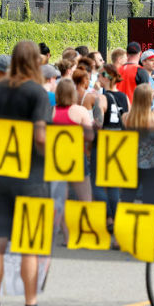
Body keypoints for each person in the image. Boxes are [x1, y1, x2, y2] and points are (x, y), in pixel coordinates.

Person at [0, 41, 50, 306]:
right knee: (28, 245)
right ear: (36, 62)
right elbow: (41, 136)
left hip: (1, 173)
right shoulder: (37, 93)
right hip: (31, 177)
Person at [52, 78, 94, 245]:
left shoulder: (51, 111)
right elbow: (90, 136)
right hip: (77, 157)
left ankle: (68, 236)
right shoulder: (81, 111)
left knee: (61, 199)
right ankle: (85, 234)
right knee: (86, 198)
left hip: (56, 159)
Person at [93, 64, 130, 227]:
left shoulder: (101, 98)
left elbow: (98, 124)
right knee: (114, 185)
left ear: (105, 77)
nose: (97, 78)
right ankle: (115, 218)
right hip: (120, 142)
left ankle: (109, 215)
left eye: (99, 75)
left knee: (96, 183)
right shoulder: (124, 97)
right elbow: (127, 121)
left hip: (103, 142)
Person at [120, 84, 154, 205]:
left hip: (131, 161)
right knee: (150, 196)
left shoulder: (126, 118)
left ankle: (124, 220)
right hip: (153, 162)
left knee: (128, 196)